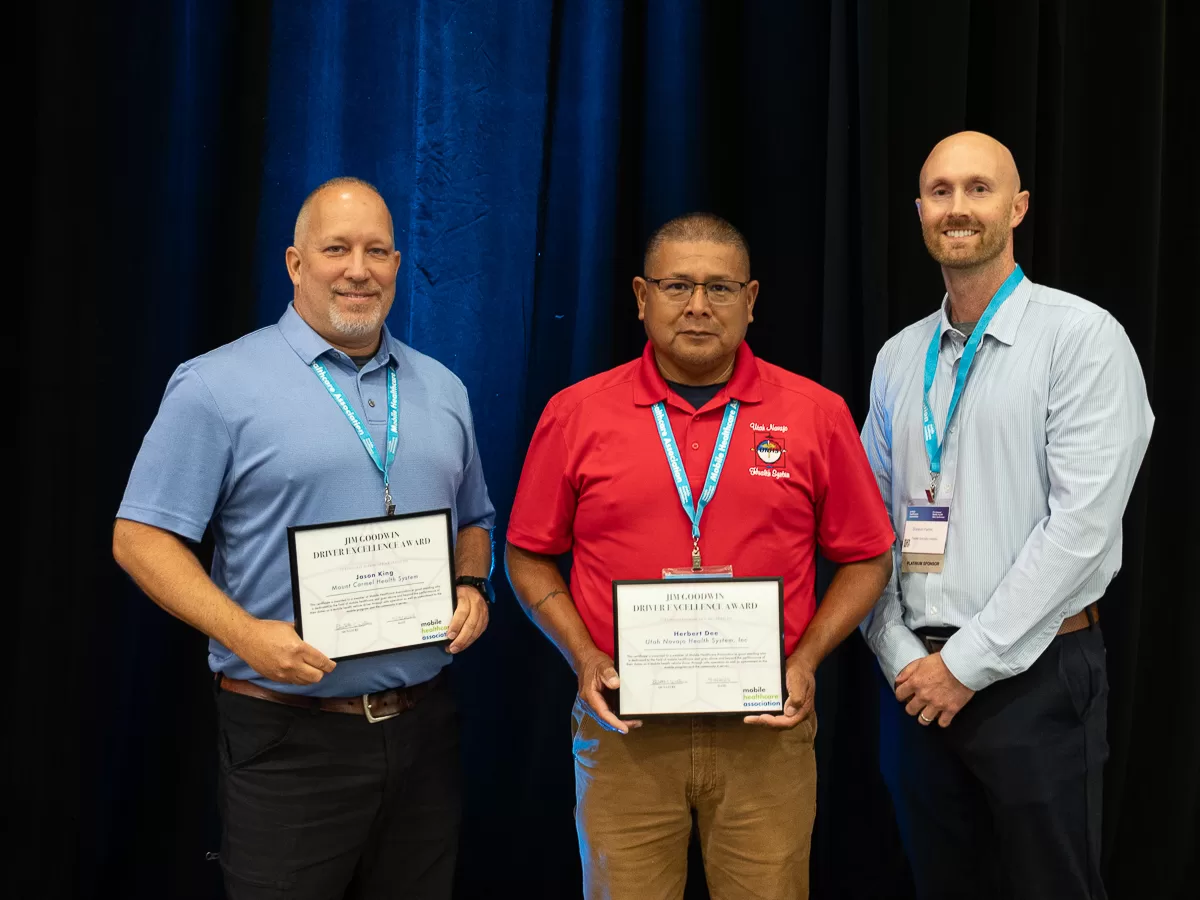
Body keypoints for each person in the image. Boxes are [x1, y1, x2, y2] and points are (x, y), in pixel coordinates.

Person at [112, 177, 495, 900]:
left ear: (397, 263)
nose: (358, 269)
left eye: (377, 250)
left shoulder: (443, 388)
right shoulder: (216, 385)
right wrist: (246, 634)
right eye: (337, 249)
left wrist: (473, 584)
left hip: (423, 730)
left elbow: (475, 519)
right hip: (287, 735)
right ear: (295, 264)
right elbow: (140, 537)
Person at [505, 213, 895, 900]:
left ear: (751, 300)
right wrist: (584, 658)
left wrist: (804, 661)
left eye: (719, 288)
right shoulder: (576, 413)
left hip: (764, 734)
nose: (697, 306)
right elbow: (527, 554)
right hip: (623, 731)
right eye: (676, 284)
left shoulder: (816, 413)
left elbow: (868, 556)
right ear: (639, 296)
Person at [859, 132, 1154, 899]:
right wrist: (899, 653)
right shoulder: (898, 357)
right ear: (920, 210)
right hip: (915, 685)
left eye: (979, 189)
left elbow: (1081, 530)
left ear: (1017, 207)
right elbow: (867, 527)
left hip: (1037, 681)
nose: (958, 207)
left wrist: (967, 664)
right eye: (941, 191)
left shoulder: (1081, 339)